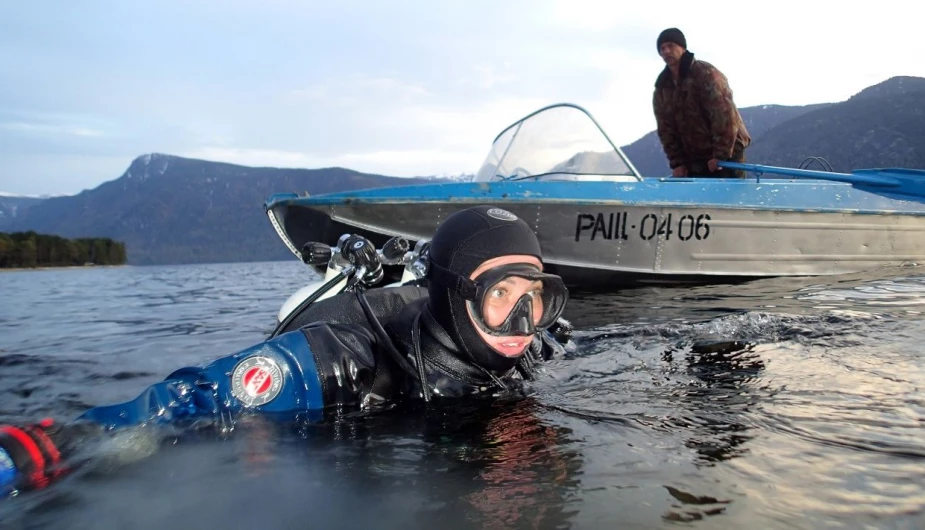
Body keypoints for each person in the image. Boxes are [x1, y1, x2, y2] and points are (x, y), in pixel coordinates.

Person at [0, 205, 571, 497]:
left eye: (536, 297)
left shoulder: (525, 351)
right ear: (451, 293)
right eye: (501, 293)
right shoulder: (351, 360)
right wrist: (62, 441)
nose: (525, 322)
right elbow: (198, 398)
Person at [652, 27, 751, 178]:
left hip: (727, 155)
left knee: (730, 198)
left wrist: (721, 154)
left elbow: (723, 114)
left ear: (682, 47)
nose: (666, 51)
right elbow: (666, 128)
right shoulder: (662, 87)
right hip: (694, 160)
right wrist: (678, 163)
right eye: (662, 48)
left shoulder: (705, 74)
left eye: (670, 46)